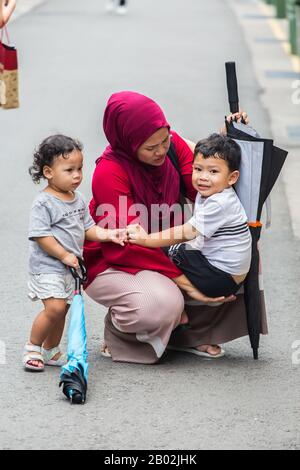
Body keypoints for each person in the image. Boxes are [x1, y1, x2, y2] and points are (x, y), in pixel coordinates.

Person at [83, 91, 266, 364]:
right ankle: (121, 335)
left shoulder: (171, 144)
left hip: (167, 244)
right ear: (128, 142)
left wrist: (230, 139)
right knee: (162, 304)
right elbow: (129, 244)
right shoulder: (109, 173)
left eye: (165, 140)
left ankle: (187, 335)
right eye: (150, 147)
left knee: (242, 252)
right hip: (118, 258)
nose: (161, 151)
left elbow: (213, 176)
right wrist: (189, 287)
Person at [23, 135, 126, 372]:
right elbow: (41, 236)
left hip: (70, 267)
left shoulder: (77, 199)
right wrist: (63, 255)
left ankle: (50, 350)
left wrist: (109, 235)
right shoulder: (44, 203)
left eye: (80, 168)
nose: (77, 175)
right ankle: (32, 347)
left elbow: (88, 228)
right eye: (69, 170)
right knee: (55, 308)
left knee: (63, 310)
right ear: (48, 172)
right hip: (48, 266)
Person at [127, 133, 252, 325]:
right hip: (222, 273)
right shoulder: (216, 191)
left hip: (220, 278)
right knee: (171, 249)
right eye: (198, 169)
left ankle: (172, 310)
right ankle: (175, 306)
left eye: (213, 172)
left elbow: (187, 232)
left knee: (159, 251)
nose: (203, 177)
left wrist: (146, 239)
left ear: (232, 177)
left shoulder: (220, 202)